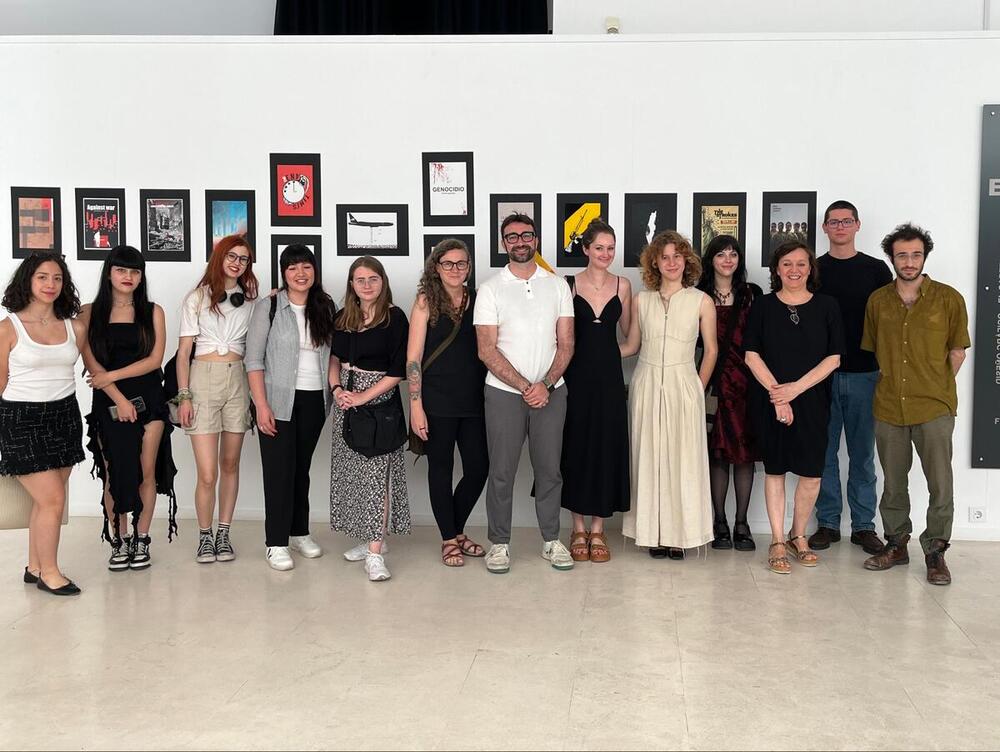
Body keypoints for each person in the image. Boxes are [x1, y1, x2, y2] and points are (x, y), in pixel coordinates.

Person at [861, 224, 970, 585]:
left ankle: (936, 552)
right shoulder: (878, 301)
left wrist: (935, 386)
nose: (909, 262)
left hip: (934, 407)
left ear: (925, 256)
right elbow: (876, 351)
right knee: (893, 482)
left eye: (916, 254)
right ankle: (896, 544)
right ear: (891, 258)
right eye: (902, 255)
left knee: (940, 481)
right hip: (889, 405)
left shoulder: (949, 299)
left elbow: (957, 351)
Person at [474, 212, 575, 573]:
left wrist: (544, 385)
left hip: (552, 393)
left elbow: (566, 344)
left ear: (536, 240)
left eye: (526, 235)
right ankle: (499, 544)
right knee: (501, 471)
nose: (520, 241)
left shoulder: (558, 285)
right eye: (512, 237)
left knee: (550, 471)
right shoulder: (490, 289)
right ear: (504, 243)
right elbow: (486, 349)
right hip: (503, 394)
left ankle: (551, 540)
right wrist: (525, 387)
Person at [744, 241, 844, 575]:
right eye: (787, 264)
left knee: (812, 474)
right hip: (770, 399)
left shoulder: (828, 306)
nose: (794, 270)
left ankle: (797, 536)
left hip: (813, 400)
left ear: (811, 269)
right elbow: (751, 354)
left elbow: (834, 358)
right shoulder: (762, 306)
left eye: (801, 264)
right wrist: (779, 396)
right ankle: (776, 540)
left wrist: (795, 390)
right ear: (776, 269)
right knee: (775, 471)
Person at [621, 231, 717, 560]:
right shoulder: (641, 300)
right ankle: (652, 533)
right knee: (648, 457)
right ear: (655, 263)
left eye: (678, 256)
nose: (672, 262)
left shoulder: (700, 300)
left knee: (683, 458)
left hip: (684, 383)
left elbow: (711, 351)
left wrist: (697, 387)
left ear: (687, 260)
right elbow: (631, 346)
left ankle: (681, 535)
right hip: (646, 382)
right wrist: (593, 353)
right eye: (665, 257)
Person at [79, 245, 176, 572]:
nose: (128, 277)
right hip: (108, 401)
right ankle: (118, 540)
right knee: (113, 474)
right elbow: (90, 363)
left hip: (150, 399)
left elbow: (155, 360)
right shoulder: (88, 312)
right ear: (109, 272)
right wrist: (118, 397)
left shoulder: (153, 311)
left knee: (145, 472)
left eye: (134, 271)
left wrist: (114, 375)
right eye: (122, 270)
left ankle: (142, 537)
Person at [0, 253, 86, 595]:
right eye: (42, 277)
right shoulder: (8, 328)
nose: (50, 285)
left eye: (57, 278)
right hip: (21, 419)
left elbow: (91, 369)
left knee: (46, 501)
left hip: (64, 415)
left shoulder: (74, 326)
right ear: (27, 282)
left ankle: (35, 566)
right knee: (52, 500)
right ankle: (50, 573)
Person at [246, 245, 336, 571]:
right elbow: (254, 360)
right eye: (293, 267)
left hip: (315, 400)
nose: (301, 273)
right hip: (278, 401)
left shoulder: (326, 306)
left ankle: (299, 532)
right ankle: (276, 542)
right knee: (278, 471)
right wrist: (261, 405)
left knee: (301, 469)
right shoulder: (268, 307)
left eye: (306, 266)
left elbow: (332, 357)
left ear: (315, 270)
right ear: (283, 273)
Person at [810, 200, 893, 555]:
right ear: (825, 228)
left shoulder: (876, 270)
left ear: (857, 225)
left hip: (865, 373)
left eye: (846, 221)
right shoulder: (813, 269)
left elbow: (888, 322)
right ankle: (827, 523)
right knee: (824, 452)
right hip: (821, 374)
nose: (840, 227)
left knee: (862, 454)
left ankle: (863, 526)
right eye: (834, 222)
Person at [176, 234, 258, 564]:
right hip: (202, 380)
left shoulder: (251, 301)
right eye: (232, 256)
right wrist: (184, 395)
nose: (238, 263)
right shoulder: (196, 298)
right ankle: (205, 535)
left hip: (238, 380)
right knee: (207, 472)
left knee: (231, 464)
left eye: (244, 258)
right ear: (220, 257)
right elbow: (183, 354)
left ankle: (224, 533)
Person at [407, 239, 489, 567]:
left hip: (474, 399)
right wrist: (415, 406)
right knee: (440, 470)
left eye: (461, 264)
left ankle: (455, 530)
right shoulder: (426, 301)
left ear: (469, 267)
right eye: (448, 264)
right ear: (436, 267)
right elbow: (413, 358)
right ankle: (448, 539)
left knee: (479, 468)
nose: (455, 270)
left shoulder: (480, 300)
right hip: (436, 400)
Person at [329, 256, 410, 582]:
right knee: (356, 475)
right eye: (360, 279)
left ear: (383, 281)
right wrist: (336, 389)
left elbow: (398, 370)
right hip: (344, 399)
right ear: (352, 284)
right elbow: (334, 357)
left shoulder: (395, 318)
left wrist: (363, 396)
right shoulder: (343, 317)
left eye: (372, 279)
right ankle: (370, 538)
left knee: (379, 476)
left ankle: (375, 553)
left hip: (378, 402)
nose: (366, 285)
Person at [559, 218, 631, 563]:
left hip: (611, 381)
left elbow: (632, 339)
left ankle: (599, 529)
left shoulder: (624, 285)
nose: (605, 253)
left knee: (606, 446)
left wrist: (606, 353)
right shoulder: (568, 284)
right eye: (599, 247)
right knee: (576, 446)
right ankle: (577, 527)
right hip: (575, 379)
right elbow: (559, 338)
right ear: (586, 249)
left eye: (610, 248)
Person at [696, 235, 762, 552]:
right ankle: (719, 521)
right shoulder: (698, 296)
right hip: (712, 384)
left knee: (745, 455)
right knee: (717, 453)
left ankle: (742, 523)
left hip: (747, 385)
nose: (727, 260)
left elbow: (761, 342)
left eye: (733, 254)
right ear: (711, 260)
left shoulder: (752, 295)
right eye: (720, 254)